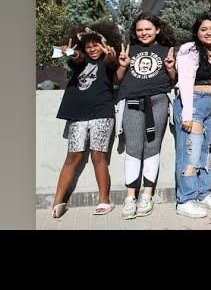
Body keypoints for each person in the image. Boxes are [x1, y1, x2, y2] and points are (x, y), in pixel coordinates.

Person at [51, 23, 122, 218]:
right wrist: (71, 52)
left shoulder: (108, 61)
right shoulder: (80, 60)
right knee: (73, 157)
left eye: (95, 45)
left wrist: (108, 50)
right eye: (88, 46)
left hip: (102, 114)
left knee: (98, 156)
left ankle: (104, 200)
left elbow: (111, 61)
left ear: (103, 44)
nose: (92, 49)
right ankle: (58, 201)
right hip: (78, 114)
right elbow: (76, 57)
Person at [114, 12, 177, 220]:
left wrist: (171, 68)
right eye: (139, 29)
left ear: (157, 29)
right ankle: (130, 196)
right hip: (131, 101)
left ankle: (147, 195)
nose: (143, 33)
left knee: (152, 147)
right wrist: (122, 66)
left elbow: (173, 80)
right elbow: (117, 80)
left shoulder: (166, 50)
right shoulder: (129, 50)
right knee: (133, 148)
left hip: (158, 100)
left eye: (148, 29)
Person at [173, 13, 211, 218]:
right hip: (193, 103)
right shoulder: (190, 49)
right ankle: (186, 199)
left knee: (210, 151)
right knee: (191, 151)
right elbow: (185, 82)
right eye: (204, 29)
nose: (209, 32)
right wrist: (186, 114)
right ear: (196, 32)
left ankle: (204, 193)